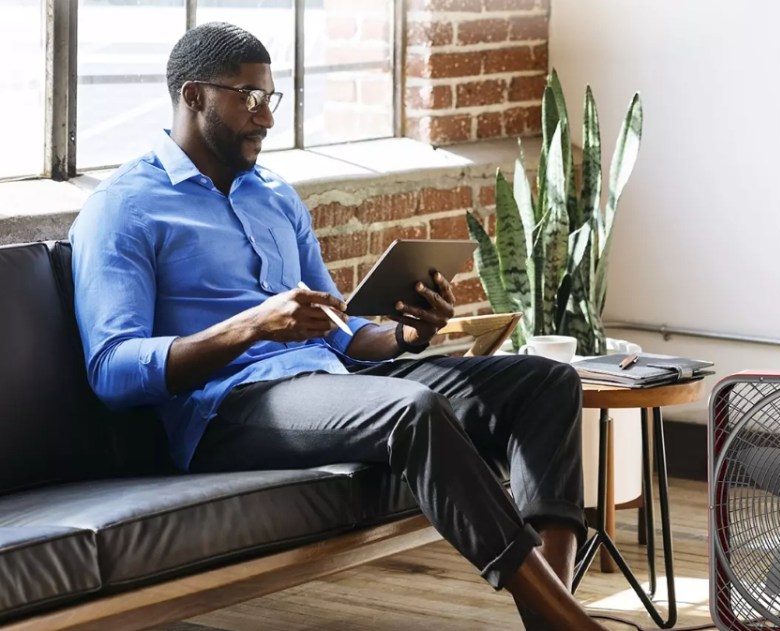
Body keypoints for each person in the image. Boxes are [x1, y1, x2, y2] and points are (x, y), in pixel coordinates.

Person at [69, 21, 608, 631]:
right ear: (193, 96)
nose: (265, 117)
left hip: (328, 381)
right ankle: (573, 625)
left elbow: (344, 335)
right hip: (226, 410)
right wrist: (250, 328)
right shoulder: (124, 208)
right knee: (411, 406)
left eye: (269, 98)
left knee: (546, 382)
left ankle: (553, 618)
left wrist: (409, 334)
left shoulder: (274, 197)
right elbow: (111, 371)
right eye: (248, 97)